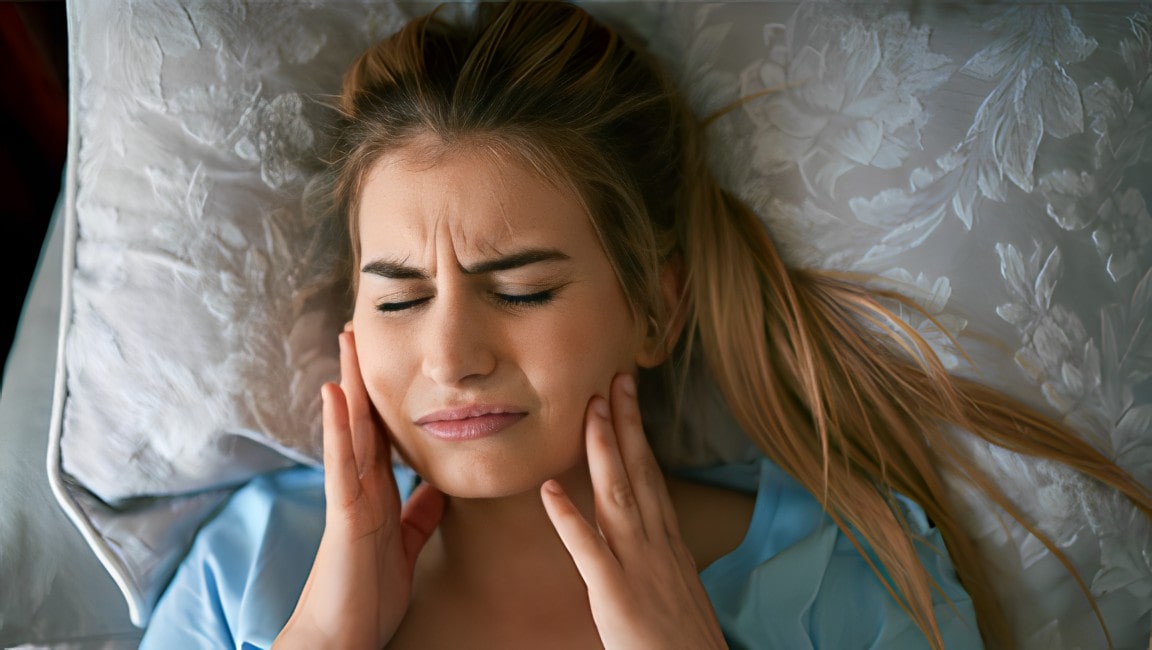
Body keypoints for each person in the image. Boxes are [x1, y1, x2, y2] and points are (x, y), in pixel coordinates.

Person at [140, 2, 1152, 648]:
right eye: (400, 297)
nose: (451, 354)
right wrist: (323, 637)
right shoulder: (251, 567)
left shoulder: (837, 578)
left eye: (523, 288)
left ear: (659, 306)